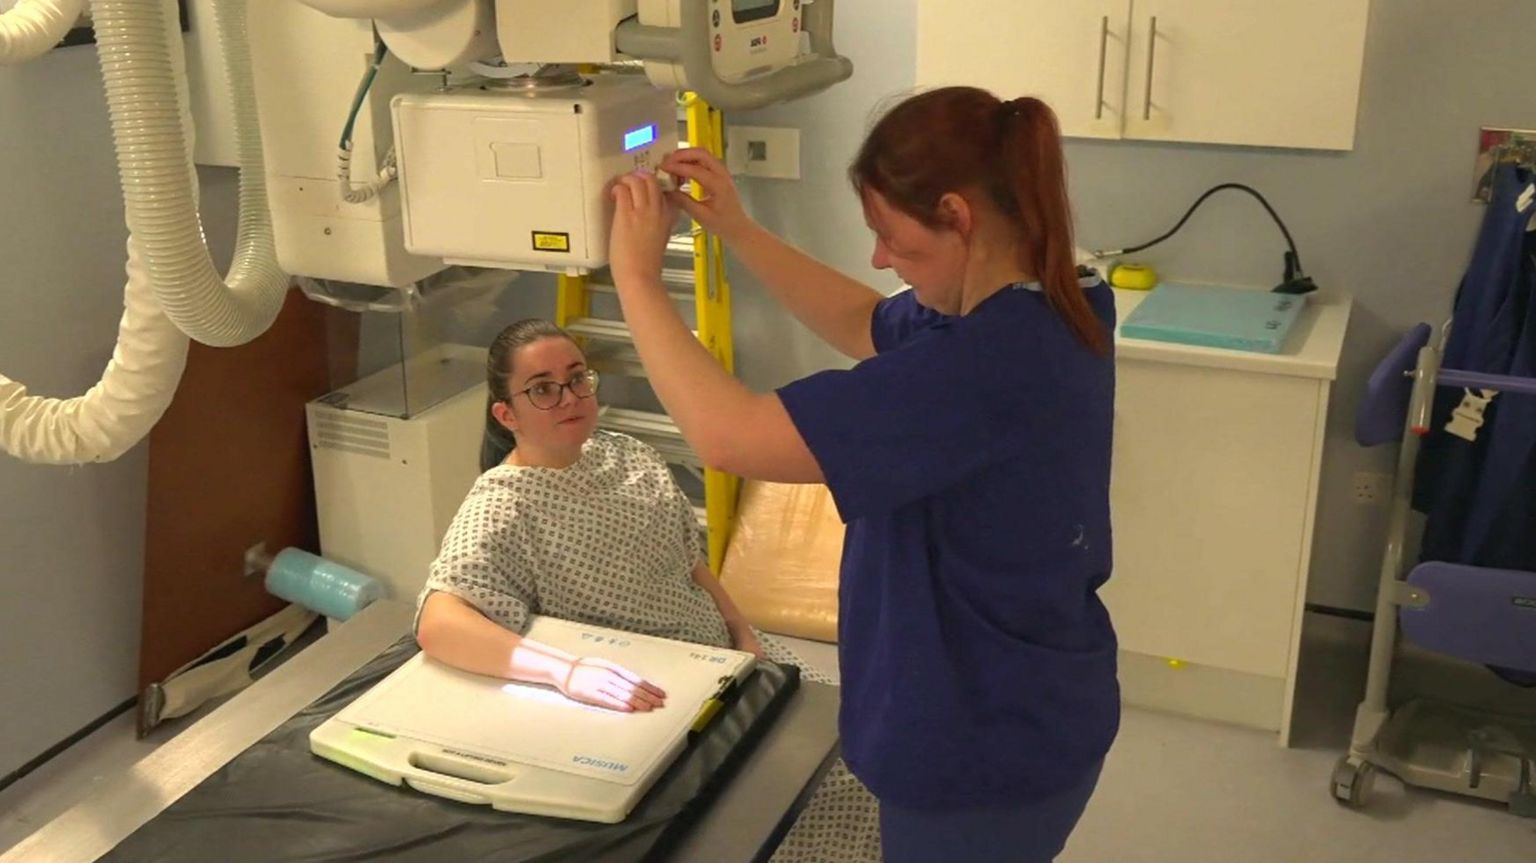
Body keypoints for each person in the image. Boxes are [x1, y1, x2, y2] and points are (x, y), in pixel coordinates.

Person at [607, 88, 1119, 862]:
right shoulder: (1048, 295)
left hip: (982, 746)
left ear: (958, 216)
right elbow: (863, 321)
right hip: (1030, 696)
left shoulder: (980, 369)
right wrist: (738, 229)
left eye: (892, 239)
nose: (881, 260)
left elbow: (729, 436)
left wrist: (637, 281)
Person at [414, 318, 882, 861]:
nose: (568, 397)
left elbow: (690, 564)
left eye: (576, 378)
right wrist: (565, 671)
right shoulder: (503, 505)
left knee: (863, 744)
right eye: (542, 389)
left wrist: (741, 631)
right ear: (506, 414)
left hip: (724, 657)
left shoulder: (628, 455)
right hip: (646, 691)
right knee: (797, 803)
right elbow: (439, 622)